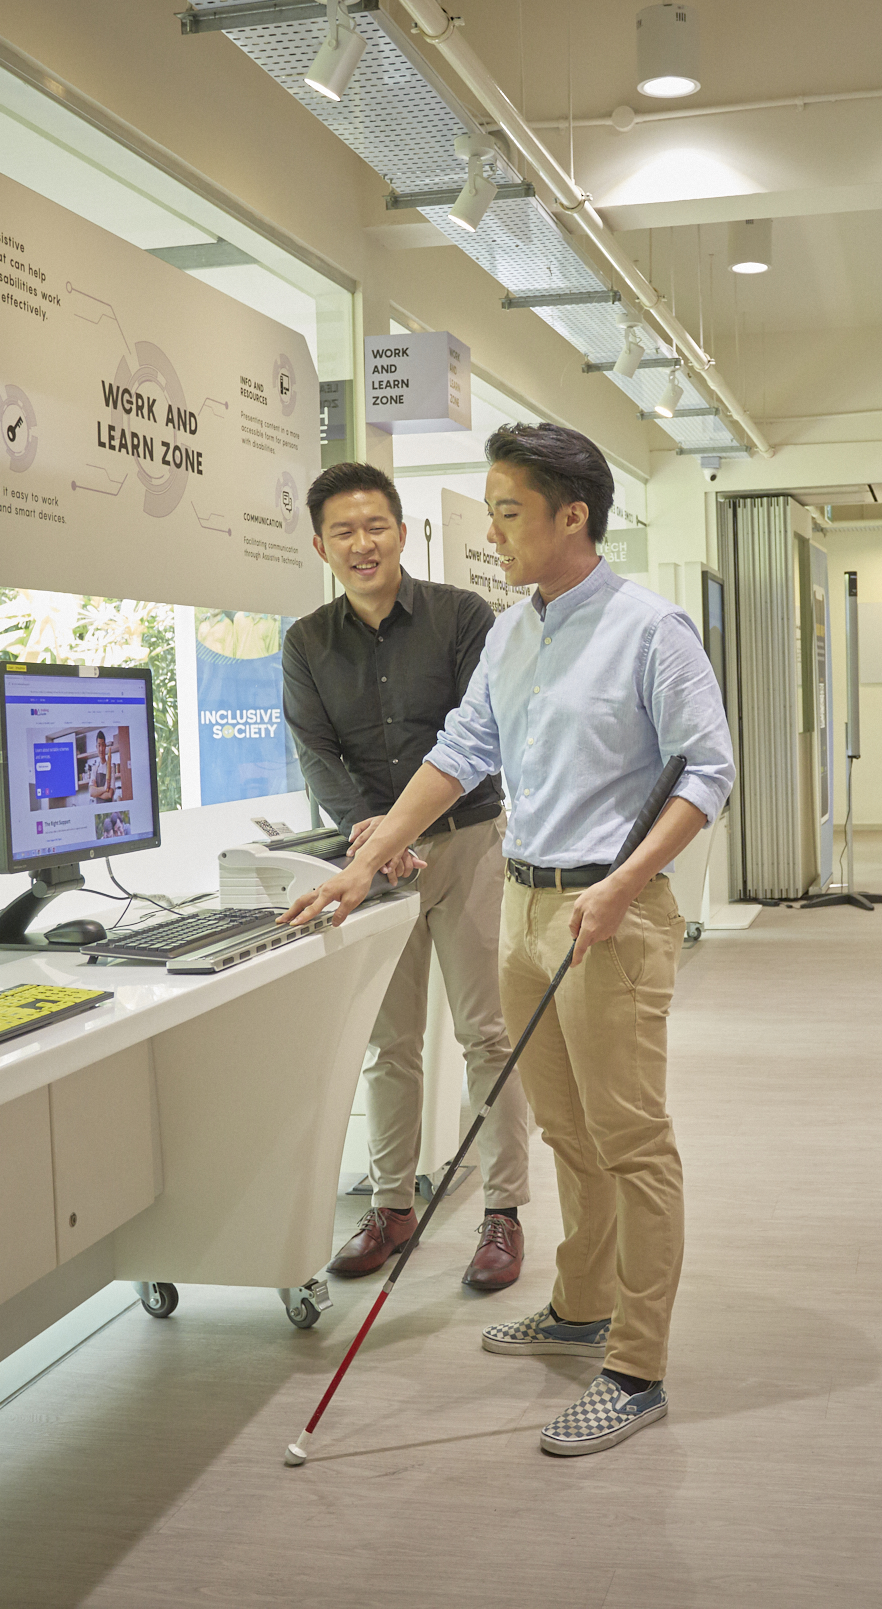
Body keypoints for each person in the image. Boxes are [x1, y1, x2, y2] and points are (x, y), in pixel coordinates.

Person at [279, 422, 734, 1458]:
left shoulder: (649, 628)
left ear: (571, 516)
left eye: (507, 510)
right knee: (569, 1135)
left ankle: (637, 1366)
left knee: (631, 1140)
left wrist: (625, 883)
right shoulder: (514, 629)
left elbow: (706, 771)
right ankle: (579, 1303)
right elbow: (458, 751)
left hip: (607, 913)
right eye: (487, 510)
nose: (489, 530)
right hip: (525, 907)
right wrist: (364, 860)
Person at [282, 461, 533, 1294]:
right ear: (321, 546)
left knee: (485, 1033)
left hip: (464, 846)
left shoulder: (463, 617)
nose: (363, 545)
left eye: (376, 527)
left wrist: (405, 827)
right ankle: (391, 1204)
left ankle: (503, 1211)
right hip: (373, 866)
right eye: (344, 533)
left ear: (402, 532)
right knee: (389, 1042)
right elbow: (319, 754)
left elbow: (476, 735)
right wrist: (374, 841)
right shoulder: (306, 642)